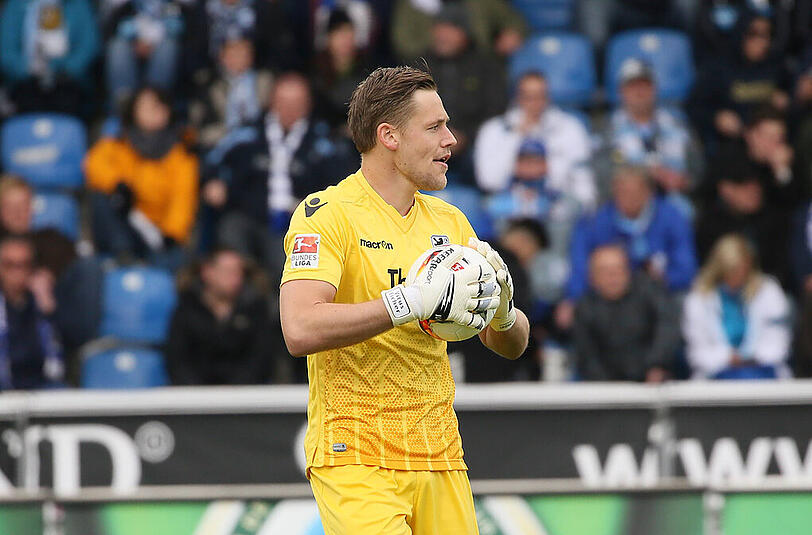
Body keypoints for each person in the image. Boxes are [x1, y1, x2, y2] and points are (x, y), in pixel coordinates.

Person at [279, 66, 529, 534]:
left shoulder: (451, 223)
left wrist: (504, 312)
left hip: (440, 453)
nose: (450, 140)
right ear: (389, 136)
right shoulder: (325, 215)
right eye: (434, 127)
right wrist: (408, 302)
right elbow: (300, 328)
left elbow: (510, 345)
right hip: (355, 453)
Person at [201, 72, 358, 275]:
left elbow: (345, 183)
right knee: (230, 232)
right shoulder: (248, 134)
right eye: (284, 102)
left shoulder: (324, 142)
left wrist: (313, 206)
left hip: (298, 222)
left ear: (308, 104)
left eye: (296, 103)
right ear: (272, 102)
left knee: (288, 261)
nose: (289, 109)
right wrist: (214, 181)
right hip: (248, 215)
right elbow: (213, 159)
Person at [556, 166, 697, 330]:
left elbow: (686, 267)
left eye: (634, 192)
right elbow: (580, 265)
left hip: (661, 291)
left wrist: (664, 278)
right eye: (622, 192)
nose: (627, 198)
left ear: (648, 192)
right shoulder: (596, 222)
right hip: (608, 294)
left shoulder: (672, 217)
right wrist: (573, 298)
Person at [85, 86, 198, 270]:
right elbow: (93, 163)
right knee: (101, 197)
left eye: (159, 106)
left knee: (172, 260)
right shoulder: (120, 141)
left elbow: (183, 198)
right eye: (146, 107)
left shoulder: (182, 152)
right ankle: (123, 256)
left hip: (157, 230)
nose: (154, 112)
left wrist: (172, 233)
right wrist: (118, 184)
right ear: (133, 111)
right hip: (125, 220)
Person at [0, 175, 103, 354]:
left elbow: (71, 256)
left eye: (23, 205)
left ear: (32, 207)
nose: (18, 213)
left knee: (89, 267)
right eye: (11, 207)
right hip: (7, 317)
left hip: (51, 314)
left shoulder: (50, 238)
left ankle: (80, 347)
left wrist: (47, 275)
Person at [475, 71, 596, 210]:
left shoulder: (571, 127)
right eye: (528, 97)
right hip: (508, 204)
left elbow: (582, 179)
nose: (534, 103)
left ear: (548, 97)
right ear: (517, 97)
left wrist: (546, 167)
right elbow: (487, 180)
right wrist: (516, 141)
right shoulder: (494, 129)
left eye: (540, 96)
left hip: (557, 204)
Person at [683, 234, 791, 379]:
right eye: (732, 270)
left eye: (742, 269)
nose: (737, 275)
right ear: (719, 269)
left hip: (763, 372)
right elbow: (696, 353)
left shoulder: (768, 291)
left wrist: (751, 358)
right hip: (715, 376)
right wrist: (727, 357)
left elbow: (779, 343)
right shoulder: (699, 298)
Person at [600, 58, 700, 209]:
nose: (640, 92)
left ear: (654, 89)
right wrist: (647, 174)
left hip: (675, 203)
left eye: (645, 85)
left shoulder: (678, 125)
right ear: (622, 91)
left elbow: (698, 169)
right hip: (624, 208)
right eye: (633, 86)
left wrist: (684, 181)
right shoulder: (607, 130)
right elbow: (601, 176)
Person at [166, 247, 273, 385]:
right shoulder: (187, 307)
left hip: (245, 393)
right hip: (194, 393)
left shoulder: (254, 309)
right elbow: (177, 358)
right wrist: (197, 392)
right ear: (207, 272)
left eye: (239, 272)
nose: (236, 278)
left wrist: (237, 391)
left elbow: (261, 358)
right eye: (228, 271)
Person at [573, 245, 679, 382]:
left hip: (652, 382)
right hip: (605, 386)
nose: (613, 276)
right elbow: (586, 356)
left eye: (618, 269)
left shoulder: (649, 293)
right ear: (592, 278)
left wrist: (657, 364)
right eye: (604, 271)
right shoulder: (585, 308)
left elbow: (667, 329)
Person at [691, 13, 791, 147]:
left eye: (767, 35)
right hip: (731, 144)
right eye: (754, 34)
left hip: (771, 144)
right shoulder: (719, 67)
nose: (763, 42)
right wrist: (716, 118)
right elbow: (694, 107)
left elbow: (792, 97)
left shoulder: (776, 65)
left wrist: (787, 101)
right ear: (741, 34)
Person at [695, 158, 789, 286]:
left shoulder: (774, 220)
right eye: (745, 186)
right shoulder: (710, 225)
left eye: (756, 185)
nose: (754, 191)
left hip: (766, 288)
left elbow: (781, 269)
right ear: (725, 189)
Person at [0, 0, 99, 116]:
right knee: (27, 102)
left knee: (67, 101)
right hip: (24, 83)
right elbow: (6, 50)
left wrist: (62, 68)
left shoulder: (78, 4)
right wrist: (27, 67)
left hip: (69, 84)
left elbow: (89, 46)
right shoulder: (16, 4)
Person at [0, 234, 64, 390]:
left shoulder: (43, 302)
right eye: (9, 265)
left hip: (42, 387)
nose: (17, 272)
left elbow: (66, 350)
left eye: (24, 264)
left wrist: (49, 311)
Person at [188, 33, 273, 149]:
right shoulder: (207, 82)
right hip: (221, 139)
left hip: (259, 137)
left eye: (243, 54)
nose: (238, 58)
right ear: (222, 56)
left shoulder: (265, 80)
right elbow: (197, 120)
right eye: (233, 53)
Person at [103, 0, 185, 106]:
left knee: (168, 47)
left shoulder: (173, 5)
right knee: (118, 47)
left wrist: (153, 42)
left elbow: (178, 28)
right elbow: (114, 28)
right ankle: (123, 105)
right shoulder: (126, 6)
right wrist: (134, 41)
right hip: (131, 46)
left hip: (162, 46)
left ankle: (155, 101)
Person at [391, 0, 526, 61]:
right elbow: (403, 43)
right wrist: (440, 40)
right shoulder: (412, 4)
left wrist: (512, 33)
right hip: (428, 67)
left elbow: (514, 21)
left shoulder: (483, 3)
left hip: (479, 66)